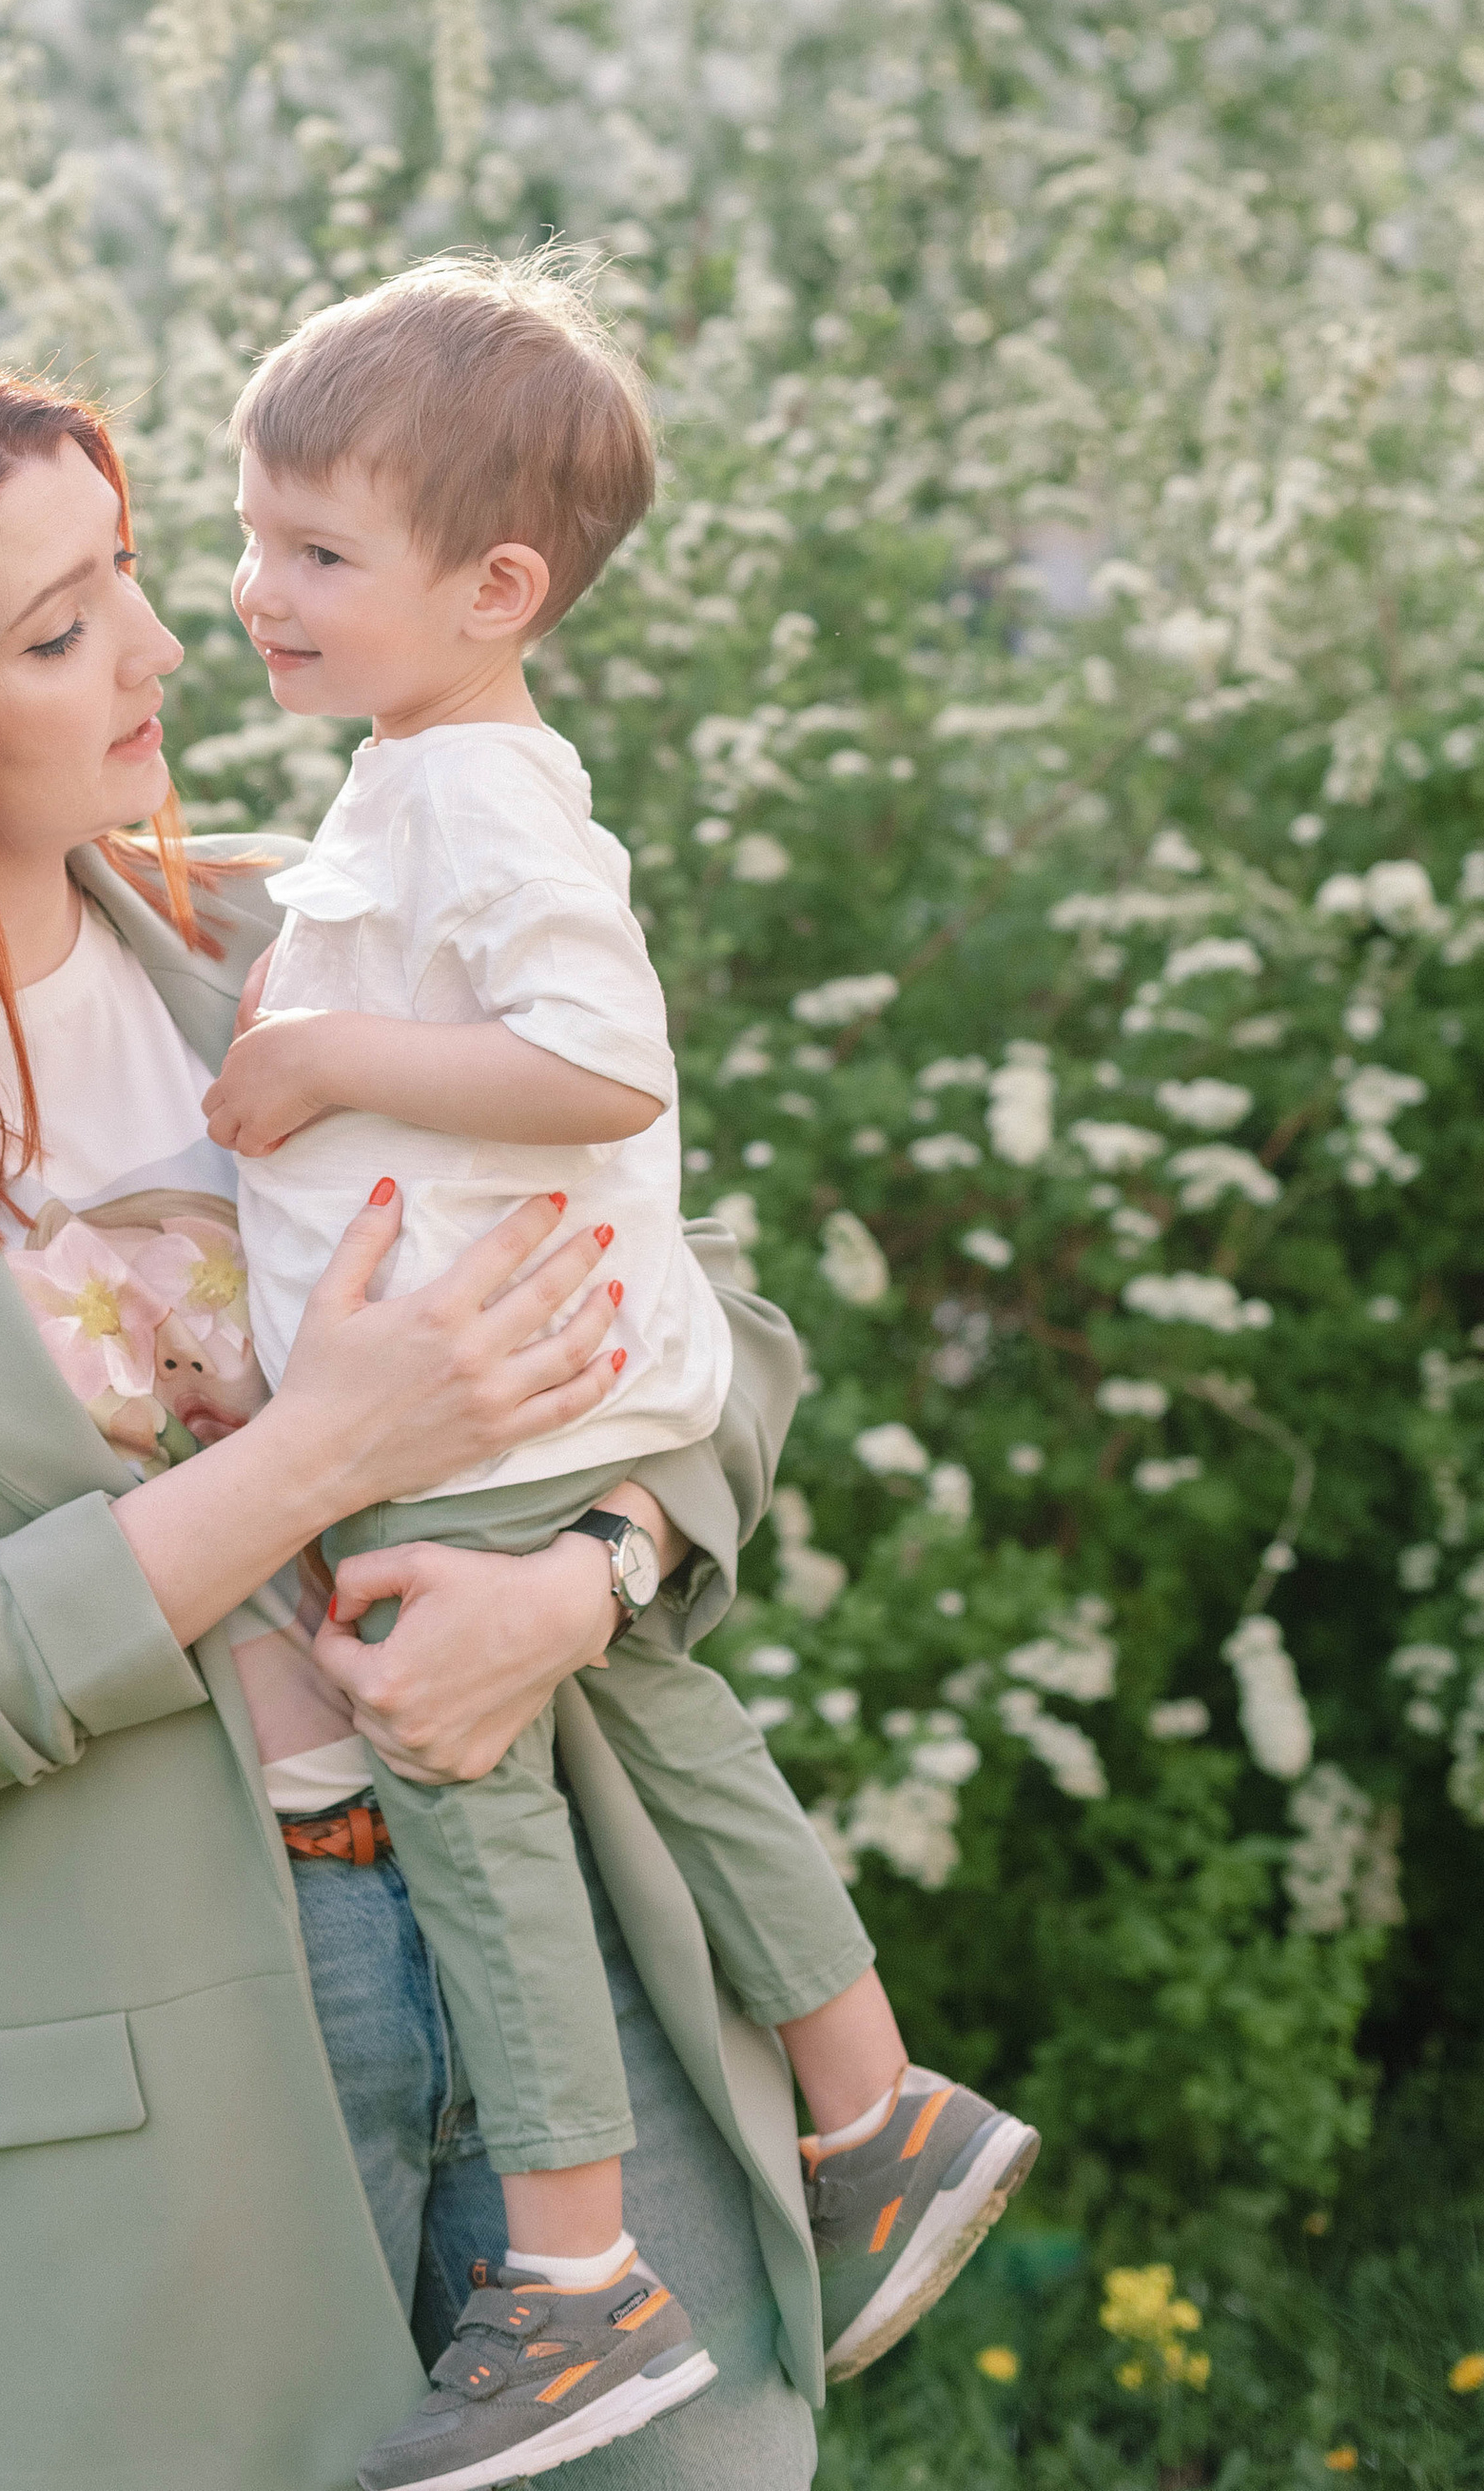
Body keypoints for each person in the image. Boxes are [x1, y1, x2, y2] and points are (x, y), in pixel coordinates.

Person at [0, 352, 830, 2491]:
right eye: (56, 627)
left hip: (551, 1925)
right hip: (150, 2063)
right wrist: (309, 1452)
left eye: (126, 570)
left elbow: (710, 1329)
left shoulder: (293, 930)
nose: (158, 642)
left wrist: (586, 1580)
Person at [205, 257, 1038, 2485]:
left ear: (492, 588)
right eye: (248, 534)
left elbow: (593, 1063)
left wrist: (306, 1062)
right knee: (664, 1720)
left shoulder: (471, 796)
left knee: (464, 1798)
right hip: (541, 1390)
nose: (249, 591)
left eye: (310, 552)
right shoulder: (420, 771)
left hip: (481, 1414)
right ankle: (873, 2116)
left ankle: (571, 2288)